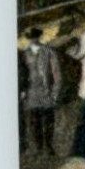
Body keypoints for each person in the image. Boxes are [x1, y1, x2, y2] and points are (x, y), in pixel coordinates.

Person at [20, 26, 63, 155]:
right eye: (31, 38)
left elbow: (56, 73)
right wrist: (23, 91)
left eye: (35, 37)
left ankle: (49, 146)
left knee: (49, 120)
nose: (33, 40)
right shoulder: (25, 54)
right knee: (34, 122)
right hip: (31, 91)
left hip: (46, 91)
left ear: (38, 37)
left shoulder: (48, 51)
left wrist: (55, 92)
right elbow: (22, 73)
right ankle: (39, 147)